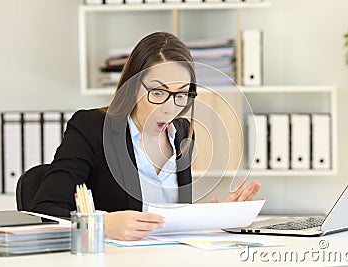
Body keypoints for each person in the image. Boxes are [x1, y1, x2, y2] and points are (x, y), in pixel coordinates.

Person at [30, 32, 261, 241]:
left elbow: (172, 223)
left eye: (181, 94)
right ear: (132, 86)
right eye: (158, 92)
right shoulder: (90, 128)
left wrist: (219, 218)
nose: (170, 108)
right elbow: (46, 208)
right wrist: (103, 224)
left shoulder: (181, 134)